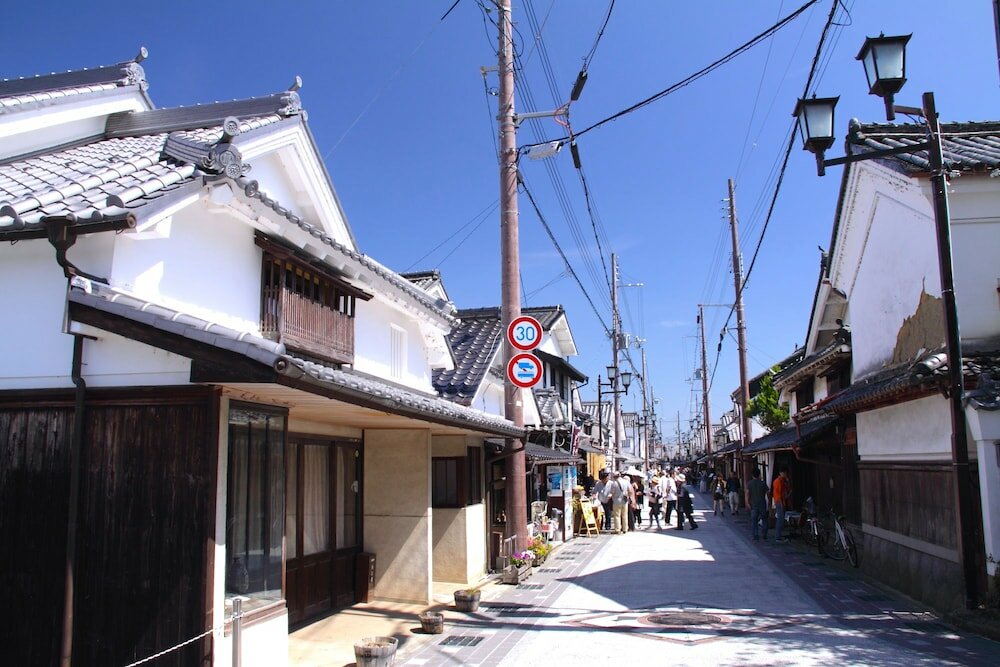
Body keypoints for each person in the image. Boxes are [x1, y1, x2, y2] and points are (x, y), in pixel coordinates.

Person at [746, 467, 769, 541]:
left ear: (752, 475)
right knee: (764, 519)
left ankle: (755, 536)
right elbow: (768, 493)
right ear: (759, 474)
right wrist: (770, 502)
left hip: (754, 504)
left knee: (754, 521)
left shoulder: (749, 483)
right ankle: (764, 534)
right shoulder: (763, 483)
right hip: (762, 503)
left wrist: (747, 502)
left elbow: (747, 494)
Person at [771, 465, 792, 543]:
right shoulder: (778, 481)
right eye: (785, 473)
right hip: (779, 501)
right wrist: (781, 502)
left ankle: (779, 536)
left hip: (781, 500)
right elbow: (778, 493)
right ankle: (778, 537)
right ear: (781, 473)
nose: (786, 474)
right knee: (780, 519)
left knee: (781, 519)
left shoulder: (782, 481)